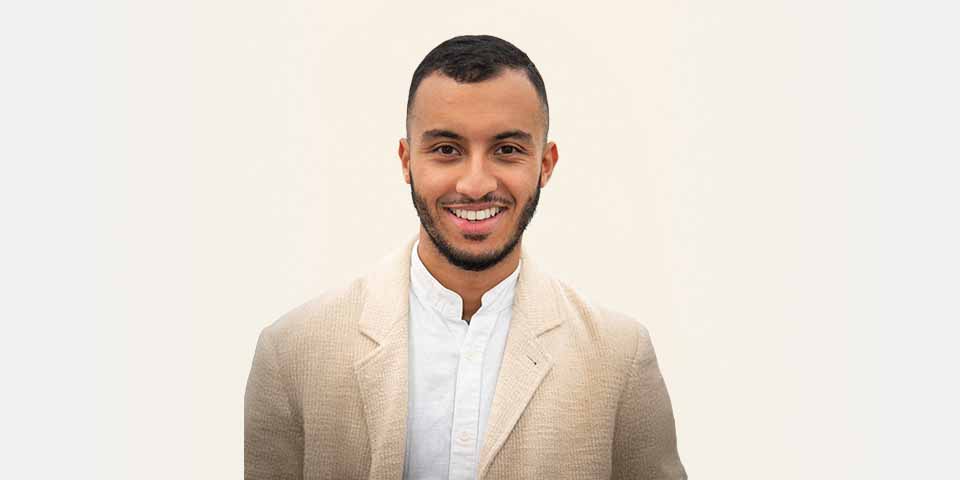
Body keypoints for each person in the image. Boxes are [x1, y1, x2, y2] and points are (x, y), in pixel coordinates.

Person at [244, 34, 687, 480]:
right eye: (446, 150)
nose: (475, 185)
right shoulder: (292, 354)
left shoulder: (619, 358)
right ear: (406, 161)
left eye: (507, 150)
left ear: (546, 164)